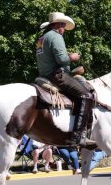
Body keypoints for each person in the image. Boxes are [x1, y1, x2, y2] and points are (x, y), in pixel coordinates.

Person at [36, 12, 95, 146]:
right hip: (57, 75)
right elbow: (61, 59)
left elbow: (50, 56)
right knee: (86, 96)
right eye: (63, 24)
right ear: (56, 24)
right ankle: (78, 136)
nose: (64, 28)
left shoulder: (42, 38)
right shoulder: (56, 36)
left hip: (44, 75)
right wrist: (72, 57)